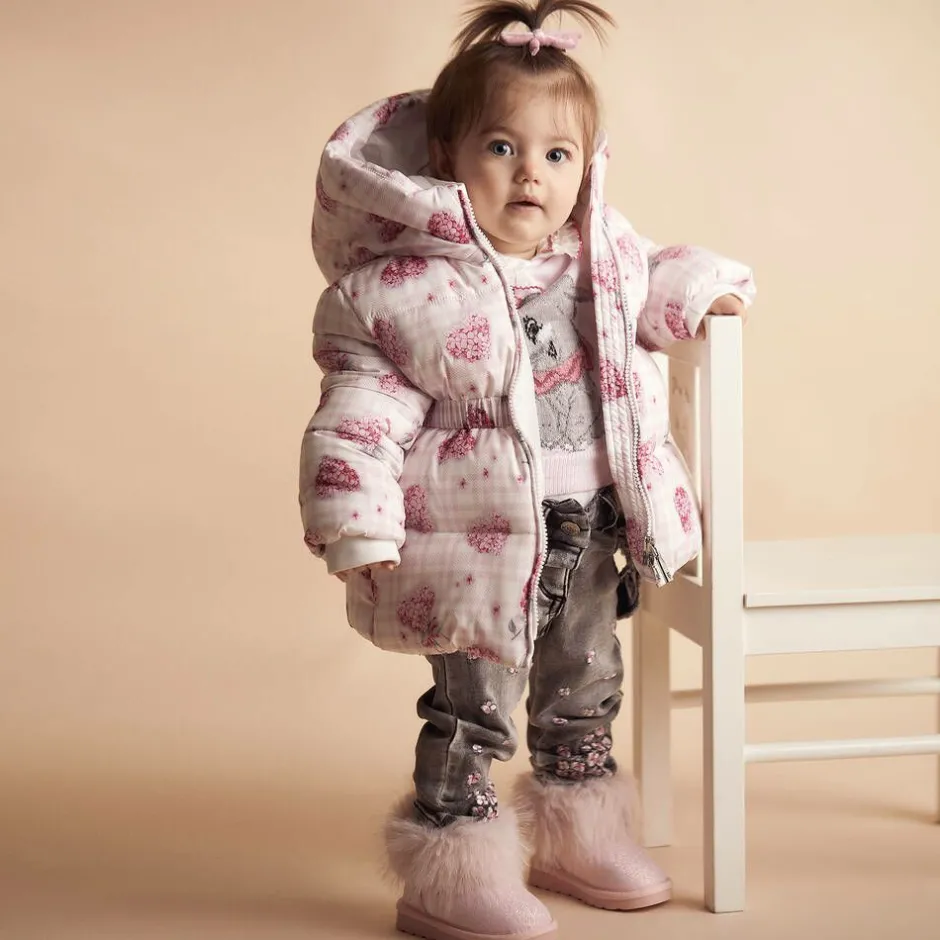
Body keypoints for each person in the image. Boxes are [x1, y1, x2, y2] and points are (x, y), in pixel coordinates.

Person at [300, 2, 755, 937]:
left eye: (557, 154)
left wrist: (707, 287)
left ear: (587, 168)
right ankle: (452, 863)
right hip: (474, 543)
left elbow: (656, 271)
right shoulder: (400, 289)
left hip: (592, 523)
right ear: (446, 158)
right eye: (502, 148)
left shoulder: (600, 254)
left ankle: (576, 832)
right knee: (476, 707)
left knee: (585, 685)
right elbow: (359, 408)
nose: (531, 175)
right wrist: (355, 522)